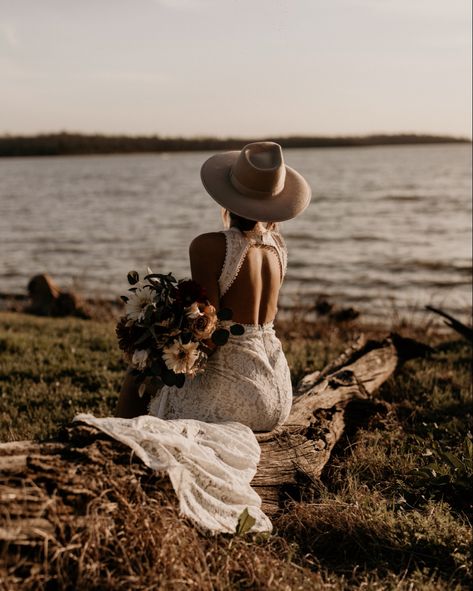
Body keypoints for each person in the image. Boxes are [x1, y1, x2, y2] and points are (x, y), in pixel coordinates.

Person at [74, 141, 311, 533]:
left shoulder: (210, 245)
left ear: (228, 194)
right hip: (276, 388)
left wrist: (156, 332)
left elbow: (208, 328)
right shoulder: (278, 248)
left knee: (139, 369)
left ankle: (114, 467)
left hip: (239, 390)